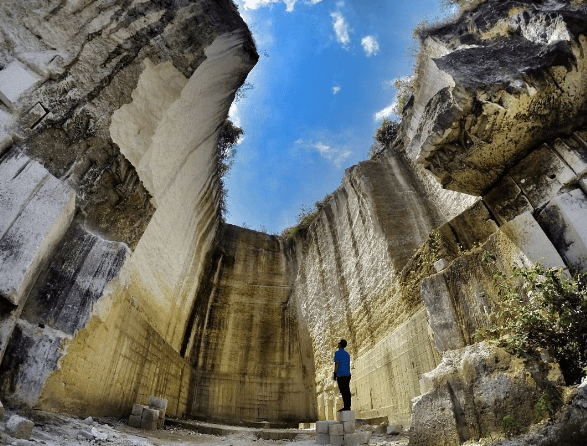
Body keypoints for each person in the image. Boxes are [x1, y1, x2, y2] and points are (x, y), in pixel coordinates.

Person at [333, 339, 351, 412]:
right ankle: (348, 406)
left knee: (343, 391)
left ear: (340, 345)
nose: (338, 344)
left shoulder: (337, 353)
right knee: (347, 390)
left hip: (340, 375)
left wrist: (335, 373)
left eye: (339, 343)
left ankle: (346, 407)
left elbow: (337, 364)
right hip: (347, 374)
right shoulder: (347, 354)